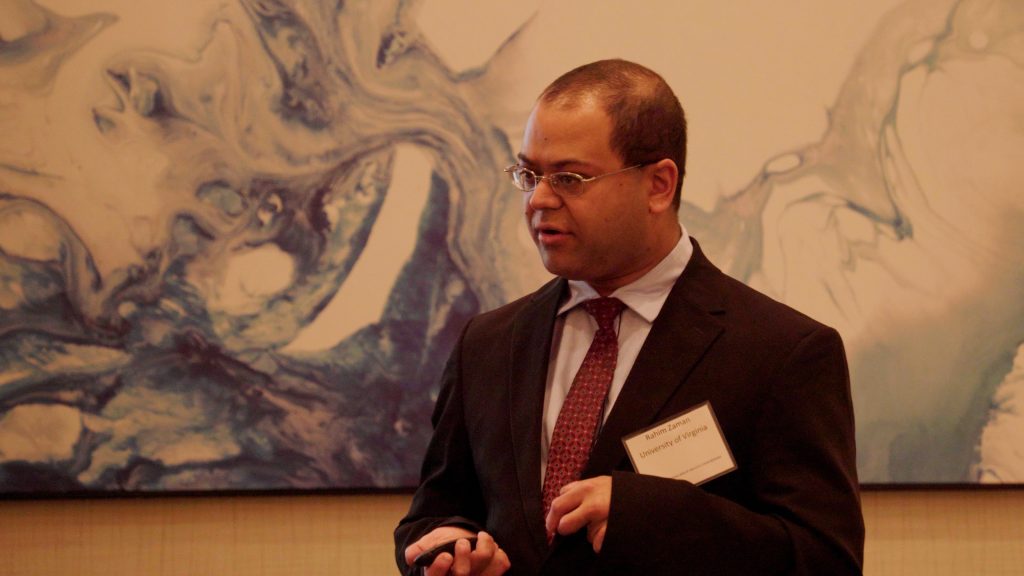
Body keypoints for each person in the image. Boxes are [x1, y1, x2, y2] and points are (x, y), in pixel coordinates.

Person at [394, 59, 864, 575]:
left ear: (659, 185)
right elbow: (434, 514)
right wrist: (448, 552)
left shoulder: (782, 352)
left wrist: (648, 516)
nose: (538, 200)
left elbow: (825, 560)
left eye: (569, 178)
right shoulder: (487, 344)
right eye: (528, 174)